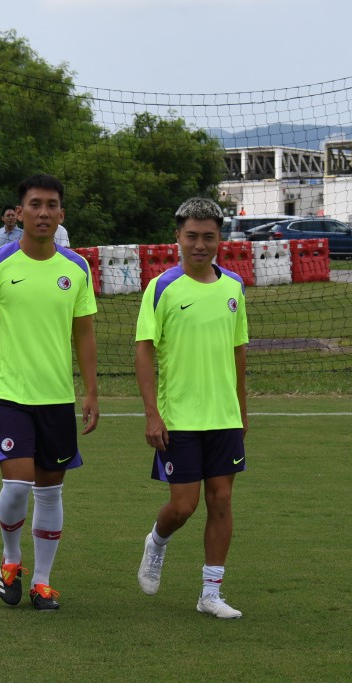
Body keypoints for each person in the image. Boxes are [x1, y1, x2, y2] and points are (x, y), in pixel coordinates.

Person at [0, 173, 99, 611]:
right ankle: (10, 559)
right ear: (19, 212)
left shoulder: (76, 268)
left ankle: (42, 581)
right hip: (9, 395)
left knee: (50, 491)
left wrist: (92, 392)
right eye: (35, 204)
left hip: (57, 398)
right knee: (19, 484)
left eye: (52, 205)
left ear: (61, 214)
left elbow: (84, 336)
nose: (43, 212)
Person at [134, 196, 249, 619]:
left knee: (221, 502)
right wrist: (152, 412)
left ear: (220, 238)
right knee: (183, 506)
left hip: (223, 418)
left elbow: (239, 352)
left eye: (209, 237)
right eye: (192, 237)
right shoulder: (161, 287)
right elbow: (144, 351)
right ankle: (157, 542)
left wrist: (241, 409)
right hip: (179, 417)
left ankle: (210, 594)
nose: (200, 245)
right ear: (177, 238)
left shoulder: (234, 287)